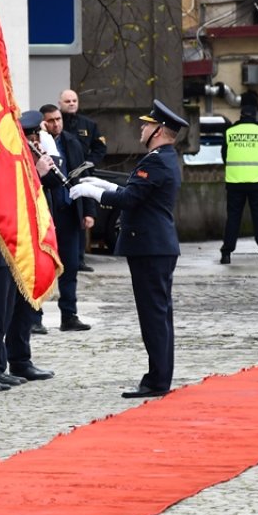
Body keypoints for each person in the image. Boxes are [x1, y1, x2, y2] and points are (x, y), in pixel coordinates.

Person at [70, 100, 183, 399]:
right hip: (155, 246)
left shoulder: (157, 160)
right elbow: (136, 191)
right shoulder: (163, 157)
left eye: (147, 125)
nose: (142, 128)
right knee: (159, 314)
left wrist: (94, 191)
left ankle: (157, 381)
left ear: (159, 131)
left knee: (154, 316)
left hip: (150, 247)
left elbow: (131, 199)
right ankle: (159, 376)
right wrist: (101, 181)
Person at [38, 105, 95, 330]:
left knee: (70, 266)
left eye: (58, 119)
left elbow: (83, 176)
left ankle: (69, 315)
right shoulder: (36, 144)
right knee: (44, 268)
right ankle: (35, 317)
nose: (56, 124)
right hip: (46, 216)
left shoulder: (71, 142)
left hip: (70, 212)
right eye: (50, 120)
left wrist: (89, 210)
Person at [218, 104, 258, 265]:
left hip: (235, 182)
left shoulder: (230, 132)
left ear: (241, 115)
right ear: (255, 115)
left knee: (233, 218)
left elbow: (224, 156)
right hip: (257, 182)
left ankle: (226, 254)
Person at [58, 89, 104, 274]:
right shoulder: (56, 123)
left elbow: (100, 147)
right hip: (61, 173)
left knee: (82, 216)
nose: (71, 103)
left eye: (74, 100)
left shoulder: (88, 124)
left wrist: (90, 163)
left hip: (81, 173)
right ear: (60, 103)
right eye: (67, 100)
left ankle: (79, 259)